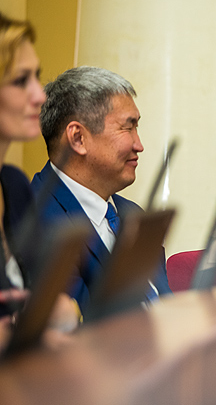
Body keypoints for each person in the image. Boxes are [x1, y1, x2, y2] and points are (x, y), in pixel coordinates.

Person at [31, 66, 171, 314]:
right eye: (127, 128)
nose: (139, 145)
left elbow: (166, 306)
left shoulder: (132, 214)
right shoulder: (37, 223)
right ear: (78, 138)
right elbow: (79, 329)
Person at [0, 12, 78, 343]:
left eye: (37, 77)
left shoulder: (15, 187)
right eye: (21, 81)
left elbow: (51, 304)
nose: (40, 95)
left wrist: (61, 312)